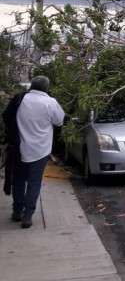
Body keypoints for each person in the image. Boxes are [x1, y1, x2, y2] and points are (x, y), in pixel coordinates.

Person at [10, 76, 64, 228]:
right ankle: (28, 216)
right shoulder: (50, 103)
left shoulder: (20, 99)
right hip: (40, 150)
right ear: (47, 88)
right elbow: (59, 121)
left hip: (19, 148)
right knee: (34, 183)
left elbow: (8, 117)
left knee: (18, 181)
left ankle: (17, 211)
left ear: (31, 87)